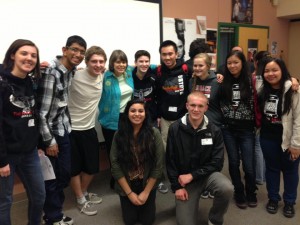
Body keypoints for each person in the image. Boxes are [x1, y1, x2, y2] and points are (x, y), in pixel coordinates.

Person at [38, 35, 87, 225]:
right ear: (64, 50)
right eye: (74, 49)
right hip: (51, 134)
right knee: (53, 178)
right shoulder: (51, 72)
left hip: (64, 128)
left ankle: (53, 212)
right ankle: (53, 217)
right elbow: (42, 113)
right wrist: (49, 141)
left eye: (82, 52)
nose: (78, 54)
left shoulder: (70, 70)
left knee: (63, 174)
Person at [166, 91, 233, 225]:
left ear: (206, 108)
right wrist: (177, 186)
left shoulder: (214, 130)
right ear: (187, 106)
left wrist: (192, 175)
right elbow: (170, 160)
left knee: (227, 188)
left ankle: (215, 219)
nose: (196, 109)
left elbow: (217, 163)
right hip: (184, 181)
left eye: (200, 106)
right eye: (193, 105)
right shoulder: (175, 128)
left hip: (207, 176)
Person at [0, 39, 46, 225]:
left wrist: (38, 145)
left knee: (39, 196)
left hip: (29, 153)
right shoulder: (2, 83)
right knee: (5, 201)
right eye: (24, 53)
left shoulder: (30, 82)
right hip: (6, 156)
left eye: (33, 55)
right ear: (12, 55)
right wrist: (2, 161)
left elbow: (32, 117)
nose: (29, 58)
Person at [258, 57, 300, 218]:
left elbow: (298, 119)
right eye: (267, 71)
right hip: (267, 138)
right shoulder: (263, 88)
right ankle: (273, 199)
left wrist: (296, 144)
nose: (270, 74)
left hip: (288, 140)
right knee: (272, 170)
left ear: (282, 71)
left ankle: (289, 202)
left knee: (290, 171)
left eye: (275, 70)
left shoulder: (293, 90)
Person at [110, 99, 164, 225]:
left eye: (141, 111)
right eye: (133, 110)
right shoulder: (119, 135)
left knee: (147, 220)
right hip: (127, 183)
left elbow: (159, 165)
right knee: (130, 220)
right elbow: (115, 165)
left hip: (147, 182)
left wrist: (146, 193)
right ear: (127, 114)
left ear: (145, 114)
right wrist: (129, 193)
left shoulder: (154, 133)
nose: (137, 114)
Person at [68, 46, 107, 216]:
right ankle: (79, 198)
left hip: (89, 128)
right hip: (71, 129)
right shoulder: (74, 75)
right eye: (94, 61)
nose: (98, 65)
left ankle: (83, 192)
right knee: (74, 168)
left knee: (92, 167)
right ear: (87, 61)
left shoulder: (102, 75)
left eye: (101, 61)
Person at [219, 50, 257, 209]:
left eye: (236, 62)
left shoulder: (251, 81)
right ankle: (239, 191)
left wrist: (294, 80)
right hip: (228, 129)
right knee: (233, 162)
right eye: (229, 63)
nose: (232, 65)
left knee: (249, 165)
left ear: (243, 63)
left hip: (247, 130)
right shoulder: (222, 81)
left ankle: (251, 191)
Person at [156, 40, 192, 193]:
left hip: (182, 117)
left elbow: (202, 75)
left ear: (176, 54)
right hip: (164, 118)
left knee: (183, 148)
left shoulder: (186, 69)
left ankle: (184, 176)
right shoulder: (158, 71)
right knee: (165, 149)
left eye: (170, 53)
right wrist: (158, 115)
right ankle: (166, 177)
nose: (167, 57)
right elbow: (157, 95)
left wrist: (218, 76)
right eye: (164, 54)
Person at [189, 53, 224, 199]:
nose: (197, 68)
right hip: (196, 125)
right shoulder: (192, 81)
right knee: (197, 156)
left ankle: (212, 185)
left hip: (212, 125)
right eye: (195, 65)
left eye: (200, 65)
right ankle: (200, 185)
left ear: (208, 66)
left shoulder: (217, 81)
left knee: (212, 158)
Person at [98, 49, 134, 188]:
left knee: (128, 148)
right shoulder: (104, 76)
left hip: (127, 118)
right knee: (113, 151)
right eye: (117, 62)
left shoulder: (129, 73)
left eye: (123, 62)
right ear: (112, 63)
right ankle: (116, 178)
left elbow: (146, 66)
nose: (121, 65)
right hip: (110, 119)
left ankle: (127, 176)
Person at [132, 50, 158, 126]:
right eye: (141, 61)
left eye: (147, 61)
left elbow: (159, 97)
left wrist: (158, 116)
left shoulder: (154, 77)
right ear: (135, 62)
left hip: (151, 118)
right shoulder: (129, 78)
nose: (144, 64)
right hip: (135, 118)